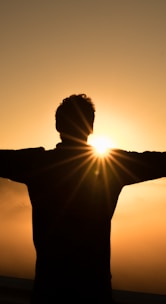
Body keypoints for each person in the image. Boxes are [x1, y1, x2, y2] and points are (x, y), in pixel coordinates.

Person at [0, 93, 166, 303]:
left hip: (49, 287)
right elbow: (159, 161)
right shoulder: (112, 166)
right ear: (90, 128)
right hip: (94, 289)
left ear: (58, 126)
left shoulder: (37, 163)